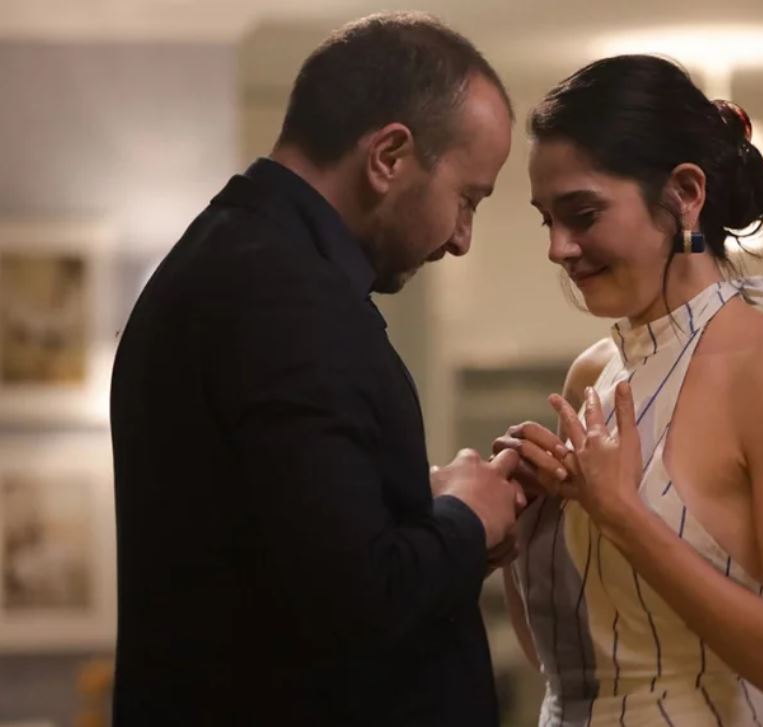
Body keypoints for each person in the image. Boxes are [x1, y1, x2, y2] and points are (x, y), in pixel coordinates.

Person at [110, 12, 524, 726]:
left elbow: (281, 558)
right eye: (467, 199)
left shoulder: (228, 260)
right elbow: (355, 601)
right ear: (388, 156)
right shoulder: (286, 297)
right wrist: (467, 517)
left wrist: (421, 516)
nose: (461, 238)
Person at [493, 55, 763, 726]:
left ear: (685, 193)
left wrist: (623, 516)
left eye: (582, 213)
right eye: (547, 220)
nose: (558, 249)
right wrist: (513, 523)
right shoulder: (591, 373)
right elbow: (567, 661)